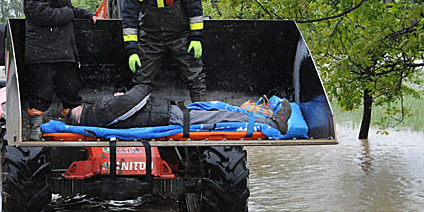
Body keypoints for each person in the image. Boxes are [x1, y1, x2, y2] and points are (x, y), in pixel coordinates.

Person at [16, 0, 98, 140]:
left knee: (71, 93)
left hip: (64, 51)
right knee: (41, 94)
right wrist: (69, 13)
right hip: (42, 52)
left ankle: (74, 132)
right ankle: (34, 134)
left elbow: (67, 9)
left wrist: (87, 14)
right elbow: (41, 14)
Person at [121, 0, 206, 103]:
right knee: (141, 80)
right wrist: (132, 50)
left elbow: (194, 7)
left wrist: (196, 37)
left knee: (195, 76)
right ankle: (139, 115)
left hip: (181, 35)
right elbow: (129, 19)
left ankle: (202, 112)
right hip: (150, 38)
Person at [65, 84, 292, 135]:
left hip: (166, 114)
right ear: (78, 114)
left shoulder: (98, 116)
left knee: (220, 112)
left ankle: (265, 116)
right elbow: (134, 100)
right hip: (169, 117)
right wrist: (144, 84)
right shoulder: (99, 110)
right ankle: (272, 123)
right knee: (222, 116)